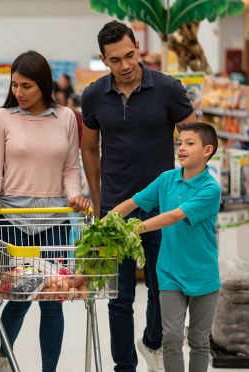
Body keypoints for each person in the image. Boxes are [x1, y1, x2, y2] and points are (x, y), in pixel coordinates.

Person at [80, 21, 198, 372]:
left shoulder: (168, 89)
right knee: (119, 298)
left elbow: (192, 139)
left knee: (165, 291)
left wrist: (186, 190)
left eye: (130, 55)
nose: (125, 65)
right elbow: (89, 149)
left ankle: (152, 342)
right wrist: (101, 203)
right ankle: (125, 366)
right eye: (115, 60)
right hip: (116, 212)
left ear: (139, 50)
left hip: (163, 210)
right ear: (104, 59)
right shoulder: (93, 96)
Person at [0, 50, 90, 372]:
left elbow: (70, 167)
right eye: (14, 85)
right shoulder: (2, 117)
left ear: (43, 84)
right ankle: (4, 360)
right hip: (11, 220)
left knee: (52, 301)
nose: (19, 93)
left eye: (26, 86)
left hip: (54, 220)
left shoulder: (65, 117)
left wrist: (74, 196)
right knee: (20, 294)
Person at [104, 122, 221, 372]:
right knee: (172, 339)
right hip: (169, 272)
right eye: (179, 143)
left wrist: (131, 229)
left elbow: (172, 217)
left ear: (208, 150)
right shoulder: (167, 178)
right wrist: (106, 222)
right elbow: (133, 201)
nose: (181, 148)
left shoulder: (210, 188)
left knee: (199, 342)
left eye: (190, 143)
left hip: (203, 274)